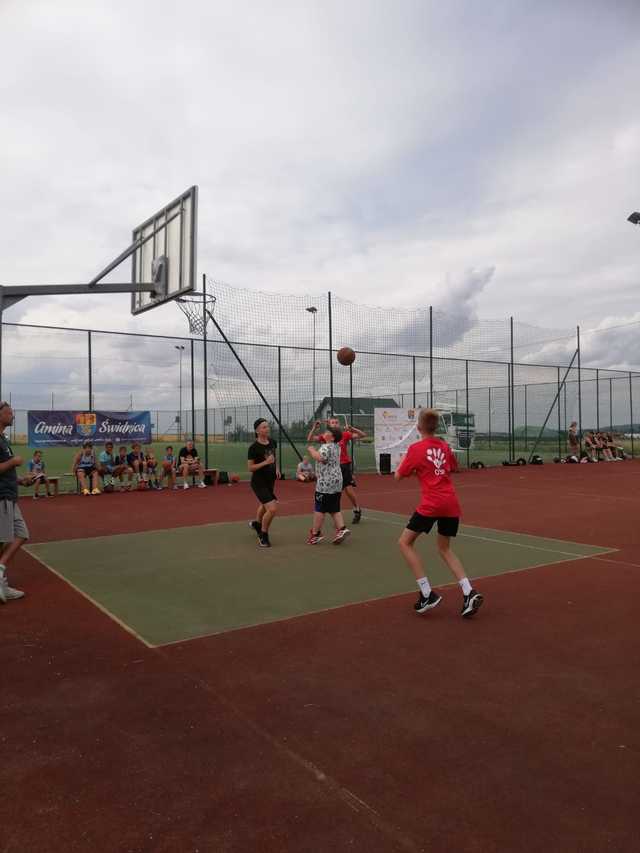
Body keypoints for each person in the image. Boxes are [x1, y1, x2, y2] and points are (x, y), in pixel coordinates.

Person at [394, 407, 483, 618]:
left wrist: (404, 468)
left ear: (418, 427)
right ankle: (468, 592)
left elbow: (398, 476)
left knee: (404, 543)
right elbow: (452, 467)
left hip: (431, 504)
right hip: (451, 503)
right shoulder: (444, 446)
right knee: (444, 549)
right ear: (436, 427)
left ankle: (427, 593)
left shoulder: (415, 449)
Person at [0, 402, 36, 602]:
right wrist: (13, 462)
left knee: (12, 536)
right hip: (2, 497)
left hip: (9, 494)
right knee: (16, 535)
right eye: (8, 413)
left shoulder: (4, 440)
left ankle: (1, 580)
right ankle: (1, 574)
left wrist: (21, 479)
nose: (12, 416)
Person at [307, 416, 366, 523]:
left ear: (339, 424)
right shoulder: (326, 436)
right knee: (334, 492)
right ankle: (336, 517)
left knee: (348, 490)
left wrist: (353, 429)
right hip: (330, 468)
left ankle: (357, 508)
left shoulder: (345, 434)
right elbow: (310, 439)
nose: (335, 424)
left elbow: (363, 435)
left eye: (336, 422)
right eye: (332, 422)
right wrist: (314, 428)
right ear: (329, 425)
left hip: (344, 466)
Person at [306, 427, 350, 544]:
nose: (324, 433)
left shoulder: (326, 447)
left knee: (319, 509)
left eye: (327, 432)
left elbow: (321, 458)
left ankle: (315, 534)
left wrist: (311, 450)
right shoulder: (337, 446)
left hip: (326, 483)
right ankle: (342, 529)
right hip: (336, 481)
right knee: (334, 508)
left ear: (332, 437)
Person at [247, 418, 279, 548]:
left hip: (270, 481)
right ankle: (263, 536)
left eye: (267, 426)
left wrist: (276, 468)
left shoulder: (272, 442)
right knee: (272, 509)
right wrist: (266, 462)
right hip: (258, 482)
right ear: (257, 431)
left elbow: (274, 457)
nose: (267, 429)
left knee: (264, 505)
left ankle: (256, 524)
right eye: (264, 427)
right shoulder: (253, 448)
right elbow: (250, 468)